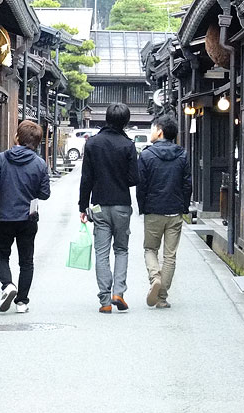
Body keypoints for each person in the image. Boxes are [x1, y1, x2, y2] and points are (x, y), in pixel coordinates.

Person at [78, 102, 139, 313]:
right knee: (121, 249)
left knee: (101, 253)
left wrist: (82, 206)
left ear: (106, 118)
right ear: (126, 121)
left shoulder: (93, 144)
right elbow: (134, 178)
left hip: (99, 205)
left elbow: (86, 178)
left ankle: (105, 301)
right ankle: (118, 293)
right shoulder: (128, 145)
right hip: (122, 204)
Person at [0, 120, 50, 313]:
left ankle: (8, 285)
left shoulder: (2, 158)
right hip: (28, 218)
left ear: (17, 137)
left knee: (1, 255)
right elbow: (45, 193)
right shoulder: (40, 164)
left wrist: (3, 194)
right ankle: (22, 302)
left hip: (6, 217)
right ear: (37, 142)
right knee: (26, 261)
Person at [136, 113, 192, 308]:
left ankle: (155, 278)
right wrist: (184, 207)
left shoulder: (146, 155)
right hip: (174, 210)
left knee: (150, 249)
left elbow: (141, 185)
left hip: (153, 209)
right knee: (170, 256)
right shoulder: (182, 154)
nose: (151, 132)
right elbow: (187, 184)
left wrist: (142, 207)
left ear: (159, 132)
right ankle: (162, 298)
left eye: (153, 128)